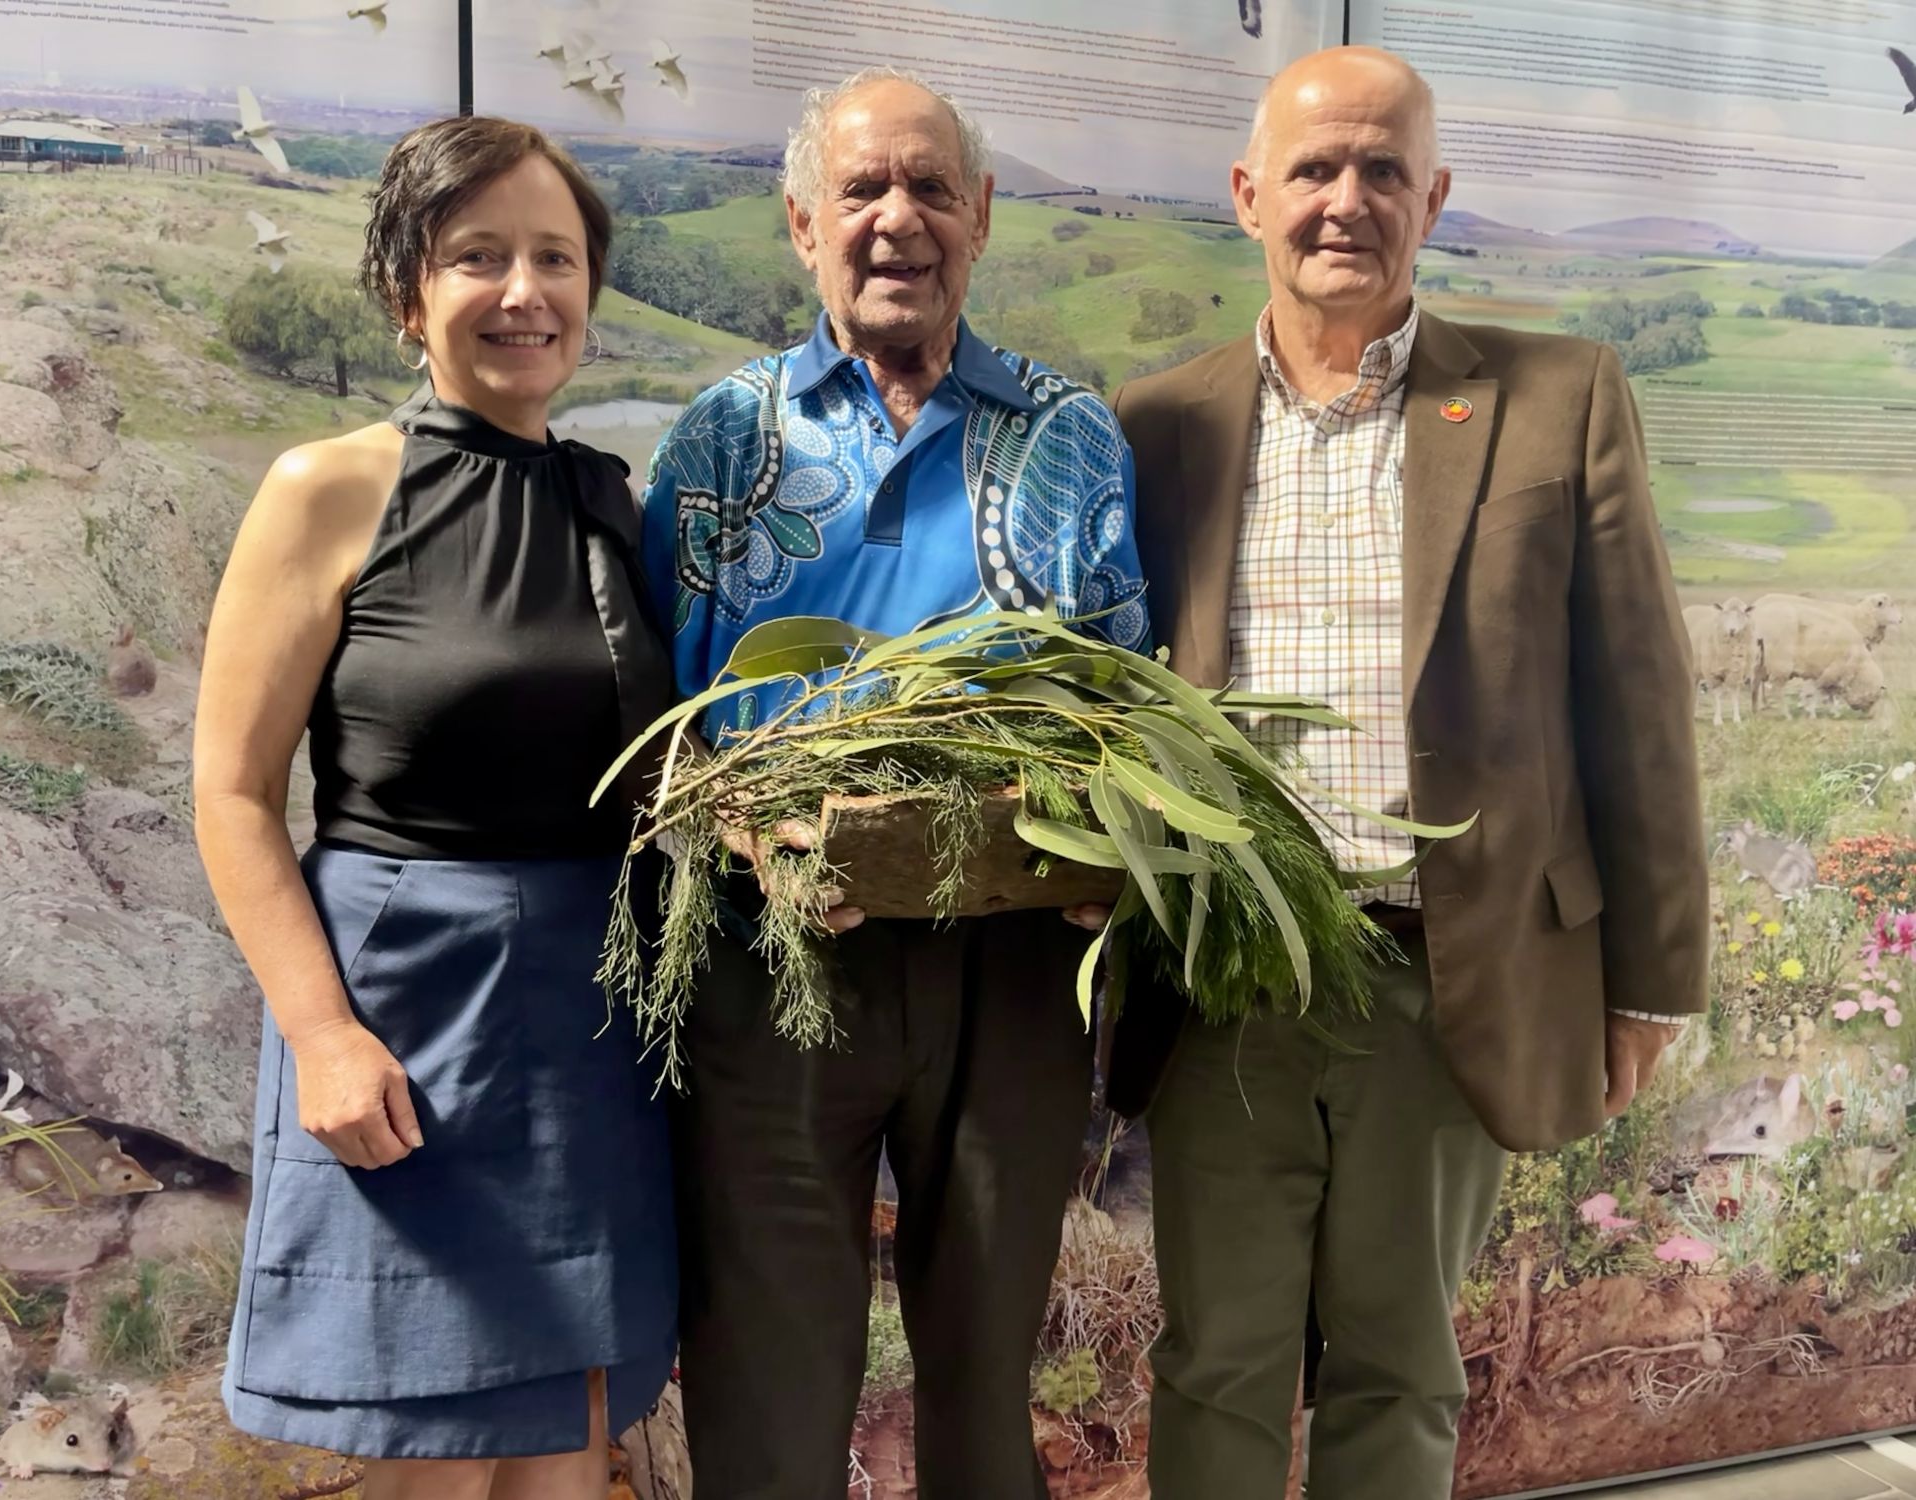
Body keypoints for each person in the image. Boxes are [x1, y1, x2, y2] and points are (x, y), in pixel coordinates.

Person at [1102, 46, 1708, 1499]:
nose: (1347, 201)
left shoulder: (1556, 397)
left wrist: (1651, 980)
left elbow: (1640, 700)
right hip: (1225, 977)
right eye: (1315, 169)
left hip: (1448, 970)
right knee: (1218, 1361)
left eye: (1384, 170)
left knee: (1399, 1362)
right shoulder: (1155, 425)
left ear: (1433, 198)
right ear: (1251, 194)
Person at [641, 66, 1150, 1500]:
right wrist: (744, 820)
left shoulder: (1066, 434)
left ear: (982, 219)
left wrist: (1098, 838)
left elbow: (1125, 692)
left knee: (987, 1381)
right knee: (769, 1371)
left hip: (1009, 974)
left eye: (932, 187)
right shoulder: (723, 441)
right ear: (802, 222)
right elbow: (652, 719)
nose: (897, 219)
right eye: (863, 188)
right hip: (773, 969)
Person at [194, 116, 676, 1500]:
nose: (524, 292)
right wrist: (321, 1034)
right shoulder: (329, 489)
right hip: (407, 1021)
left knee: (570, 1453)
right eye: (480, 257)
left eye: (556, 258)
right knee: (439, 1463)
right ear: (409, 294)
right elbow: (232, 795)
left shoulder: (609, 502)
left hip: (594, 1024)